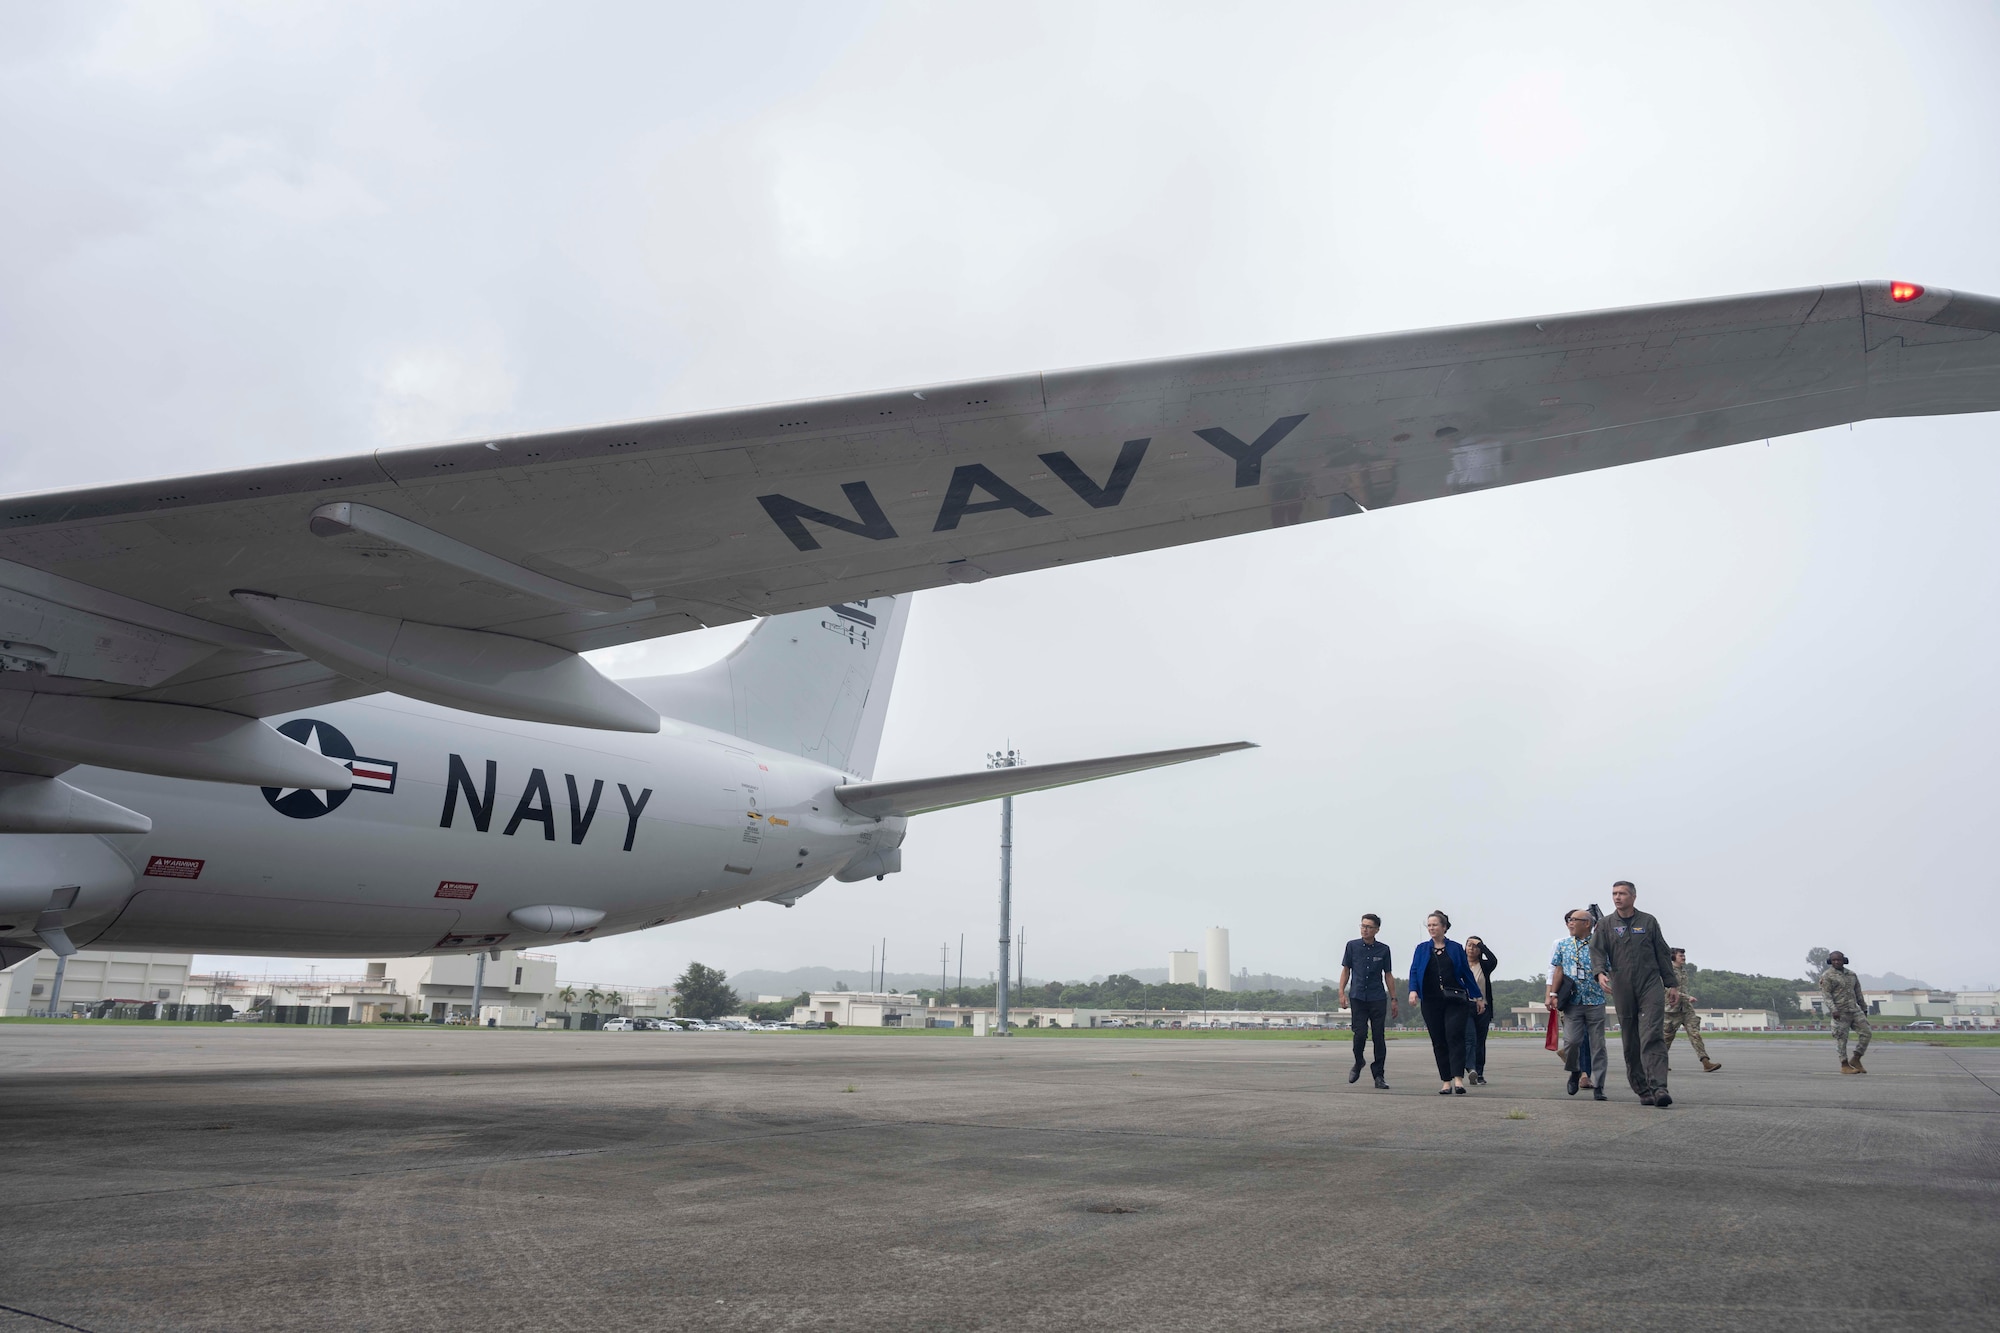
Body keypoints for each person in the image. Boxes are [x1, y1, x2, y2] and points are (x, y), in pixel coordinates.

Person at [1590, 880, 1679, 1107]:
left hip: (1650, 983)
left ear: (1633, 897)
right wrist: (1599, 973)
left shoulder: (1648, 921)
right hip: (1622, 985)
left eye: (1622, 893)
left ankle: (1659, 1088)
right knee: (1630, 1039)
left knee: (1652, 1034)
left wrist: (1672, 984)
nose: (1617, 897)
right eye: (1614, 893)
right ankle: (1642, 1089)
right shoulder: (1606, 924)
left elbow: (1662, 951)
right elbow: (1597, 950)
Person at [1406, 910, 1485, 1095]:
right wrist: (1413, 990)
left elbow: (1466, 973)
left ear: (1444, 927)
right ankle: (1446, 1081)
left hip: (1455, 1000)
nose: (1431, 928)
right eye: (1429, 925)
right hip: (1431, 1001)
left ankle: (1458, 1079)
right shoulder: (1421, 948)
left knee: (1454, 1036)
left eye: (1435, 924)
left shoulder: (1456, 948)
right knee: (1439, 1040)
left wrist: (1478, 997)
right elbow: (1414, 971)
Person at [1548, 908, 1609, 1101]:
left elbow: (1610, 969)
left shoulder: (1600, 944)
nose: (1570, 923)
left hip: (1595, 1001)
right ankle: (1574, 1071)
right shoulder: (1563, 945)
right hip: (1573, 1002)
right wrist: (1553, 993)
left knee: (1598, 1045)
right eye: (1569, 920)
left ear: (1588, 923)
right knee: (1572, 1042)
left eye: (1575, 920)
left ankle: (1599, 1085)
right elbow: (1558, 970)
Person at [1338, 914, 1398, 1089]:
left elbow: (1388, 975)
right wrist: (1341, 992)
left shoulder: (1384, 949)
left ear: (1377, 930)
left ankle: (1379, 1075)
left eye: (1369, 927)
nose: (1365, 929)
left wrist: (1394, 999)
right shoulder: (1352, 946)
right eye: (1362, 926)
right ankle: (1358, 1062)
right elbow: (1346, 970)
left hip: (1377, 997)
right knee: (1360, 1034)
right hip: (1357, 997)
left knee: (1378, 1037)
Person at [1662, 947, 1721, 1073]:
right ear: (1673, 957)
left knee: (1695, 1035)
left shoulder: (1683, 971)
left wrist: (1686, 999)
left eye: (1684, 956)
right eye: (1680, 956)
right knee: (1666, 1038)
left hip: (1686, 1009)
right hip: (1672, 1010)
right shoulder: (1668, 971)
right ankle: (1659, 1063)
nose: (1683, 957)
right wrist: (1687, 997)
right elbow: (1668, 990)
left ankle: (1706, 1062)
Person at [1819, 950, 1871, 1074]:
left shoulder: (1852, 975)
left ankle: (1856, 1058)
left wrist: (1863, 1008)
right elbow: (1827, 996)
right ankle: (1844, 1065)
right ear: (1830, 961)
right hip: (1840, 1011)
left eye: (1839, 960)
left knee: (1867, 1033)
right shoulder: (1827, 976)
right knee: (1841, 1038)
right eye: (1834, 960)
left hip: (1854, 1010)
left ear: (1844, 960)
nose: (1836, 962)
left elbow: (1858, 993)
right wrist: (1833, 1010)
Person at [1461, 936, 1499, 1085]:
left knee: (1480, 1041)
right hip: (1465, 1006)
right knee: (1470, 1039)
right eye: (1469, 945)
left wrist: (1482, 945)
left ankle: (1479, 1073)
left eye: (1475, 946)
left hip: (1483, 1008)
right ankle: (1470, 1068)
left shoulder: (1484, 965)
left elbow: (1493, 960)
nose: (1472, 948)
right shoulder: (1460, 965)